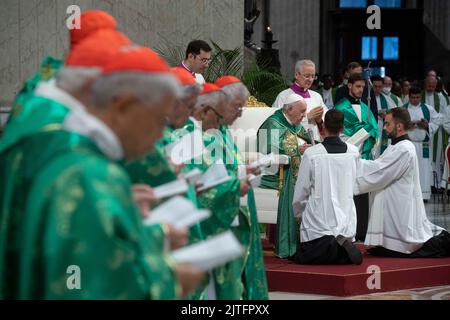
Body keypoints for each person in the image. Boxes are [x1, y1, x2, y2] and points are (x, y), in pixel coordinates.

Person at [0, 46, 205, 299]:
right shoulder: (90, 174)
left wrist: (125, 205)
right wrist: (171, 282)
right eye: (156, 119)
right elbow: (84, 286)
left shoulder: (69, 152)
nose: (158, 136)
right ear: (124, 106)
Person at [356, 108, 450, 258]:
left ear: (399, 126)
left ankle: (398, 244)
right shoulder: (395, 147)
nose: (385, 128)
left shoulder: (404, 148)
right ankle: (388, 244)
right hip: (396, 198)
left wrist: (355, 161)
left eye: (387, 124)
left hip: (400, 202)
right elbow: (380, 167)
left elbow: (381, 171)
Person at [215, 75, 268, 300]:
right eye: (237, 107)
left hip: (241, 197)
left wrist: (244, 167)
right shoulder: (207, 133)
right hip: (224, 204)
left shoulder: (224, 130)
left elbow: (229, 162)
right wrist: (238, 174)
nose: (240, 113)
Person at [291, 109, 362, 265]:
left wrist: (299, 214)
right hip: (345, 218)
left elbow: (301, 191)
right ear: (342, 128)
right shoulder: (354, 152)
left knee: (308, 253)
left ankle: (331, 245)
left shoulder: (312, 153)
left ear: (323, 128)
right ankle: (341, 243)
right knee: (338, 236)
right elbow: (356, 182)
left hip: (318, 223)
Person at [258, 93, 311, 258]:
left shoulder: (295, 124)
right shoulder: (272, 124)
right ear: (289, 109)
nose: (304, 116)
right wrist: (297, 150)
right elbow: (268, 150)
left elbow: (306, 140)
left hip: (295, 170)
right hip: (274, 174)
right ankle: (290, 245)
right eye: (301, 111)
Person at [334, 72, 379, 241]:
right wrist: (362, 133)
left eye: (363, 87)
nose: (361, 90)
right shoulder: (340, 108)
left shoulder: (366, 108)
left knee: (362, 194)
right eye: (358, 86)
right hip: (346, 158)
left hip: (363, 158)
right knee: (347, 194)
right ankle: (347, 229)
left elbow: (374, 131)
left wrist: (367, 134)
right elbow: (340, 134)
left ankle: (361, 230)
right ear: (349, 86)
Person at [272, 59, 327, 142]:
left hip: (315, 143)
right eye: (307, 76)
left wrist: (319, 121)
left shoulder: (316, 96)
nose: (310, 79)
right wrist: (307, 117)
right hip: (294, 143)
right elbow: (278, 123)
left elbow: (327, 125)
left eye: (313, 76)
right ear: (297, 75)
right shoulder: (284, 96)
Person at [404, 86, 442, 201]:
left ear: (421, 96)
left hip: (423, 144)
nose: (415, 100)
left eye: (418, 97)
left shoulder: (428, 109)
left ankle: (423, 195)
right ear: (408, 97)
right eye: (413, 97)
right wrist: (407, 126)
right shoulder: (403, 109)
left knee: (423, 169)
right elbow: (398, 124)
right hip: (408, 144)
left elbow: (438, 120)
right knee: (409, 169)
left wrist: (427, 126)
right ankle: (409, 195)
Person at [422, 75, 447, 187]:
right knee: (424, 158)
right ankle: (425, 183)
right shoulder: (419, 96)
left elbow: (443, 115)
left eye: (433, 86)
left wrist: (431, 125)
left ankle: (434, 184)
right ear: (425, 84)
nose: (431, 88)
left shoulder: (440, 98)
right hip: (421, 130)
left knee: (435, 158)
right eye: (429, 86)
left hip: (436, 132)